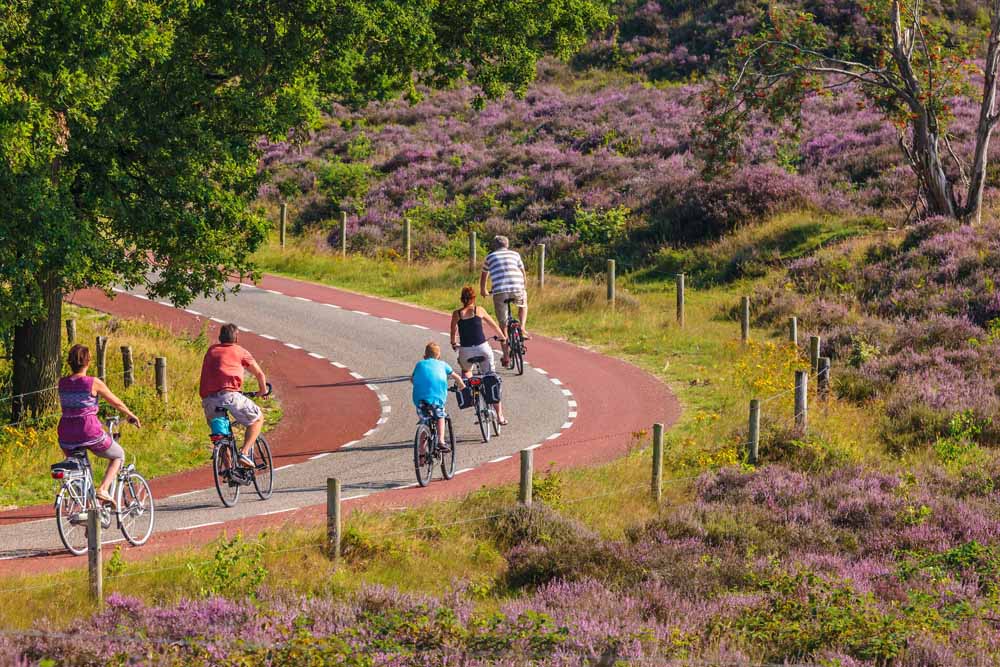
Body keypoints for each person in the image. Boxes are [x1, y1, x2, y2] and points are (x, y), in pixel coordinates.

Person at [57, 344, 141, 505]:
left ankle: (89, 510)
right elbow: (116, 402)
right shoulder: (92, 382)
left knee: (79, 470)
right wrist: (131, 415)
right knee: (118, 455)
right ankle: (103, 489)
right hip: (89, 431)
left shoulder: (62, 383)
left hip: (66, 434)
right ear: (88, 362)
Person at [199, 323, 268, 468]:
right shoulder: (240, 351)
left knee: (221, 436)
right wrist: (262, 391)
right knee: (257, 419)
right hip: (229, 396)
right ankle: (244, 452)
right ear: (236, 338)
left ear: (219, 337)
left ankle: (230, 471)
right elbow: (260, 374)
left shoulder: (211, 350)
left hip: (208, 400)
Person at [450, 286, 508, 425]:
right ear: (473, 298)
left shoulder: (456, 314)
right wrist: (502, 337)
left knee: (466, 371)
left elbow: (453, 330)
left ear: (461, 299)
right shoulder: (479, 310)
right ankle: (500, 416)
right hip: (483, 349)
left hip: (465, 351)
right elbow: (494, 325)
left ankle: (472, 393)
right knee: (490, 377)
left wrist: (453, 342)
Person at [480, 235, 528, 366]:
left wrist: (483, 290)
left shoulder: (489, 257)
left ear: (494, 246)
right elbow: (523, 273)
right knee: (523, 304)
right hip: (517, 288)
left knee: (503, 324)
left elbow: (484, 275)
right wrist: (524, 286)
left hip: (500, 291)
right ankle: (523, 328)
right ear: (507, 245)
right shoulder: (516, 255)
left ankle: (506, 357)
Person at [411, 342, 466, 450]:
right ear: (439, 356)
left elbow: (412, 379)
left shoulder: (419, 364)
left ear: (424, 356)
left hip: (420, 399)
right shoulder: (443, 364)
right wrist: (463, 387)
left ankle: (421, 452)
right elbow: (457, 378)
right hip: (437, 398)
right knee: (440, 416)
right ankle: (441, 440)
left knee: (425, 422)